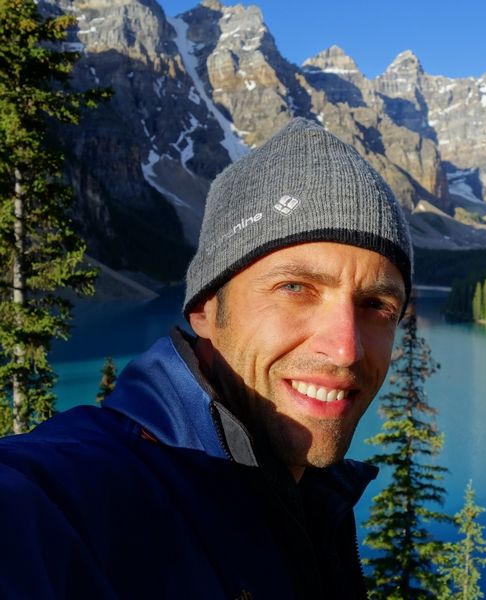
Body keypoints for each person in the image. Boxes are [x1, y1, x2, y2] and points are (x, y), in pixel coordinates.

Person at [0, 118, 413, 599]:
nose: (346, 349)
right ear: (204, 308)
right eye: (295, 288)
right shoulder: (85, 492)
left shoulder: (310, 501)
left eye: (376, 305)